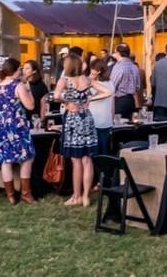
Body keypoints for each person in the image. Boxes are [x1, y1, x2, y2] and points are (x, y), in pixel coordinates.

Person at [54, 55, 112, 207]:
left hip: (73, 120)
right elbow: (107, 92)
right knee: (87, 159)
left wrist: (67, 102)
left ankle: (76, 195)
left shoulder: (64, 80)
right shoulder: (87, 80)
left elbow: (55, 96)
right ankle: (86, 196)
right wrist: (90, 100)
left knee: (76, 161)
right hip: (86, 118)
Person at [0, 58, 37, 204]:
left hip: (0, 126)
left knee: (5, 160)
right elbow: (30, 106)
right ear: (15, 71)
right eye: (19, 70)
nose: (21, 72)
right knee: (27, 158)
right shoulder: (18, 86)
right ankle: (26, 193)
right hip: (17, 125)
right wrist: (28, 89)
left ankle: (10, 195)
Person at [88, 59, 115, 159]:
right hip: (106, 120)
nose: (91, 71)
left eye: (93, 69)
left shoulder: (93, 83)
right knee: (104, 150)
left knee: (94, 152)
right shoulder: (110, 83)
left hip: (95, 119)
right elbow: (113, 103)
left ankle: (97, 172)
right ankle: (105, 172)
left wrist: (91, 98)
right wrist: (112, 119)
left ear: (98, 71)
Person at [109, 43, 141, 120]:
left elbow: (112, 85)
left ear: (118, 53)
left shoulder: (118, 66)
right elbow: (137, 86)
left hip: (120, 100)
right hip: (131, 100)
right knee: (129, 126)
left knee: (118, 126)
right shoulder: (134, 66)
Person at [22, 60, 48, 124]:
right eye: (23, 68)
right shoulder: (20, 84)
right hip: (22, 118)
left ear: (34, 71)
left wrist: (42, 120)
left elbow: (43, 104)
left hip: (34, 118)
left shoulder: (41, 85)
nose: (24, 71)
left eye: (27, 68)